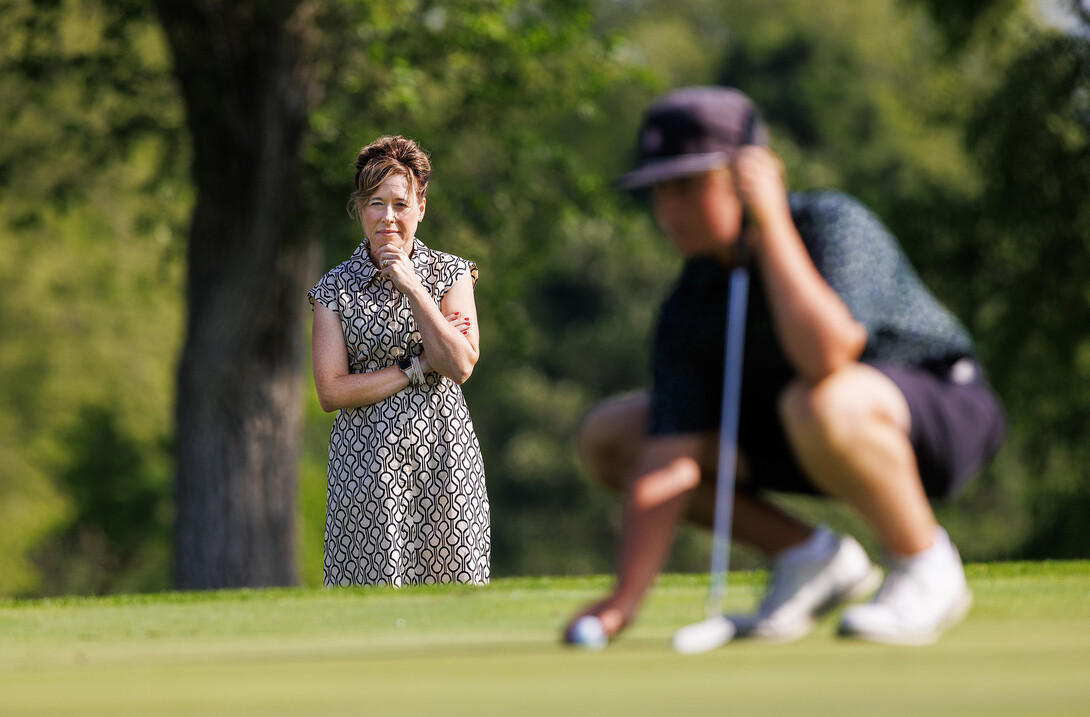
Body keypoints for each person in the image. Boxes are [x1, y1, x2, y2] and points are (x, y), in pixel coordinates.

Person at [563, 87, 1005, 646]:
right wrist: (624, 602)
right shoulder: (691, 298)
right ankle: (811, 558)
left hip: (940, 411)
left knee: (820, 398)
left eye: (687, 186)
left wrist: (770, 223)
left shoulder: (833, 224)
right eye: (659, 191)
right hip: (809, 430)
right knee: (613, 435)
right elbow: (669, 457)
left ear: (748, 176)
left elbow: (825, 354)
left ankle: (925, 564)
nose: (668, 210)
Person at [308, 135, 489, 587]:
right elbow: (331, 391)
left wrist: (412, 287)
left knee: (453, 593)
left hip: (443, 460)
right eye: (375, 204)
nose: (388, 218)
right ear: (359, 210)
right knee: (367, 601)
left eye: (400, 204)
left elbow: (462, 364)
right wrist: (417, 367)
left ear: (420, 209)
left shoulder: (450, 274)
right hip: (364, 468)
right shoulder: (334, 288)